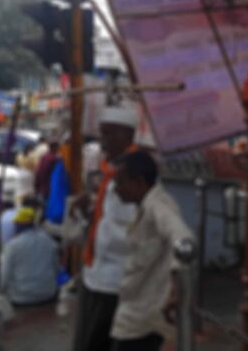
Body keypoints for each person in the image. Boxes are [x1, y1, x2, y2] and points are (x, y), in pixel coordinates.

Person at [73, 105, 141, 351]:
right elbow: (107, 219)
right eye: (102, 133)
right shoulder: (109, 170)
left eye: (110, 134)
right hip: (97, 273)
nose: (103, 141)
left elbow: (134, 229)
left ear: (128, 135)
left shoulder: (134, 172)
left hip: (117, 278)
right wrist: (89, 214)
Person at [110, 151, 193, 351]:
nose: (116, 189)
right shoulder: (145, 206)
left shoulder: (158, 206)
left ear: (139, 182)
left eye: (120, 183)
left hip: (144, 315)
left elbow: (183, 237)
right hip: (136, 308)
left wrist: (176, 286)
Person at [0, 205, 60, 307]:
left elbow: (4, 276)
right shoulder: (48, 241)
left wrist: (0, 292)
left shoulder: (12, 246)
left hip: (21, 297)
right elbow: (57, 269)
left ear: (19, 225)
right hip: (48, 294)